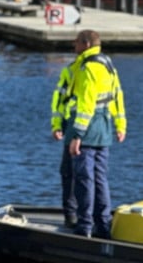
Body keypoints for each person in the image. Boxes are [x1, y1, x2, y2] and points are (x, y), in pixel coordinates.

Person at [51, 30, 126, 238]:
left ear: (85, 44)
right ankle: (103, 225)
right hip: (103, 128)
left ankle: (84, 226)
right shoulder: (107, 64)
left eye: (76, 43)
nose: (73, 47)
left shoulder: (88, 67)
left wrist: (77, 135)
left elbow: (86, 104)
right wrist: (120, 125)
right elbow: (117, 96)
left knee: (84, 178)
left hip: (88, 129)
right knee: (100, 178)